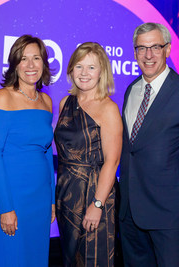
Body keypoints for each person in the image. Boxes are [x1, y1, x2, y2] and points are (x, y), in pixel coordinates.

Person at [118, 22, 179, 267]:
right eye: (141, 48)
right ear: (135, 52)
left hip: (170, 218)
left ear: (168, 50)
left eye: (155, 47)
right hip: (130, 214)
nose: (148, 55)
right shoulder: (131, 90)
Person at [0, 34, 55, 266]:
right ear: (15, 64)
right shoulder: (2, 97)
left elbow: (46, 154)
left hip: (40, 198)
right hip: (11, 197)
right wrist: (5, 208)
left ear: (44, 63)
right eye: (24, 59)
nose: (30, 65)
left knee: (37, 260)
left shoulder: (46, 101)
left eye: (36, 58)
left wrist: (52, 199)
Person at [54, 42, 123, 266]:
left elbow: (112, 162)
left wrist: (97, 204)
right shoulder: (65, 102)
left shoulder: (108, 109)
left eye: (91, 67)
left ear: (102, 72)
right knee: (69, 258)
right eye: (79, 66)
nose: (84, 73)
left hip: (94, 193)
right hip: (66, 195)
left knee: (93, 258)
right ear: (71, 69)